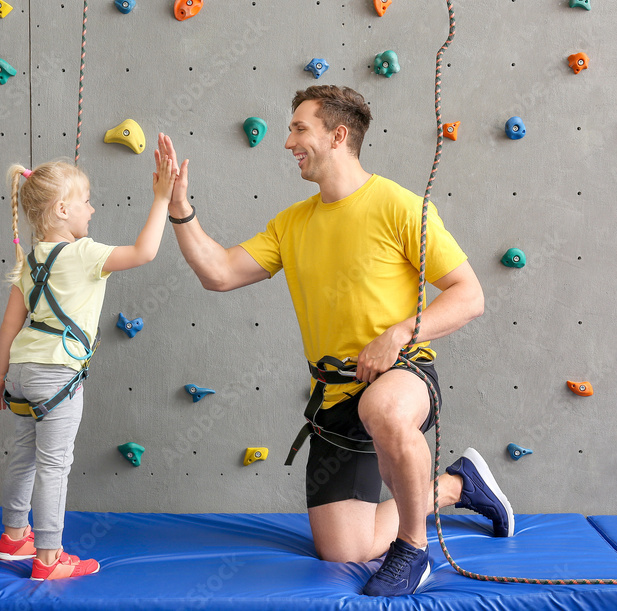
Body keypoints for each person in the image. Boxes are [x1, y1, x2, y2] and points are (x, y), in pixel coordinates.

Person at [159, 85, 513, 597]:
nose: (288, 142)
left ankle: (415, 552)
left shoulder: (398, 205)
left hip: (401, 374)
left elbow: (469, 294)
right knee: (344, 550)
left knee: (386, 410)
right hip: (334, 400)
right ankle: (459, 485)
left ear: (337, 135)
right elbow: (219, 273)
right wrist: (179, 209)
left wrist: (398, 334)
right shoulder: (292, 224)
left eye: (299, 128)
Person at [0, 156, 176, 580]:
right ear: (61, 209)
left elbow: (9, 324)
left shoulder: (32, 260)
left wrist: (1, 377)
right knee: (54, 464)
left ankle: (13, 536)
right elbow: (145, 251)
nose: (92, 209)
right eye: (86, 201)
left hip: (21, 370)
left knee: (24, 455)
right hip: (57, 375)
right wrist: (161, 198)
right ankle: (48, 559)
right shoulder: (85, 253)